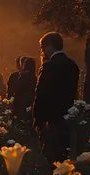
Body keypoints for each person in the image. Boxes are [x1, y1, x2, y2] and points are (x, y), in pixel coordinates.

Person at [33, 32, 80, 163]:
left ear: (49, 46)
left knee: (50, 157)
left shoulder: (49, 66)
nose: (42, 51)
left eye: (42, 47)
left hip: (50, 119)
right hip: (66, 117)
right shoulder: (72, 65)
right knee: (64, 156)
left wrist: (37, 118)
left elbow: (41, 94)